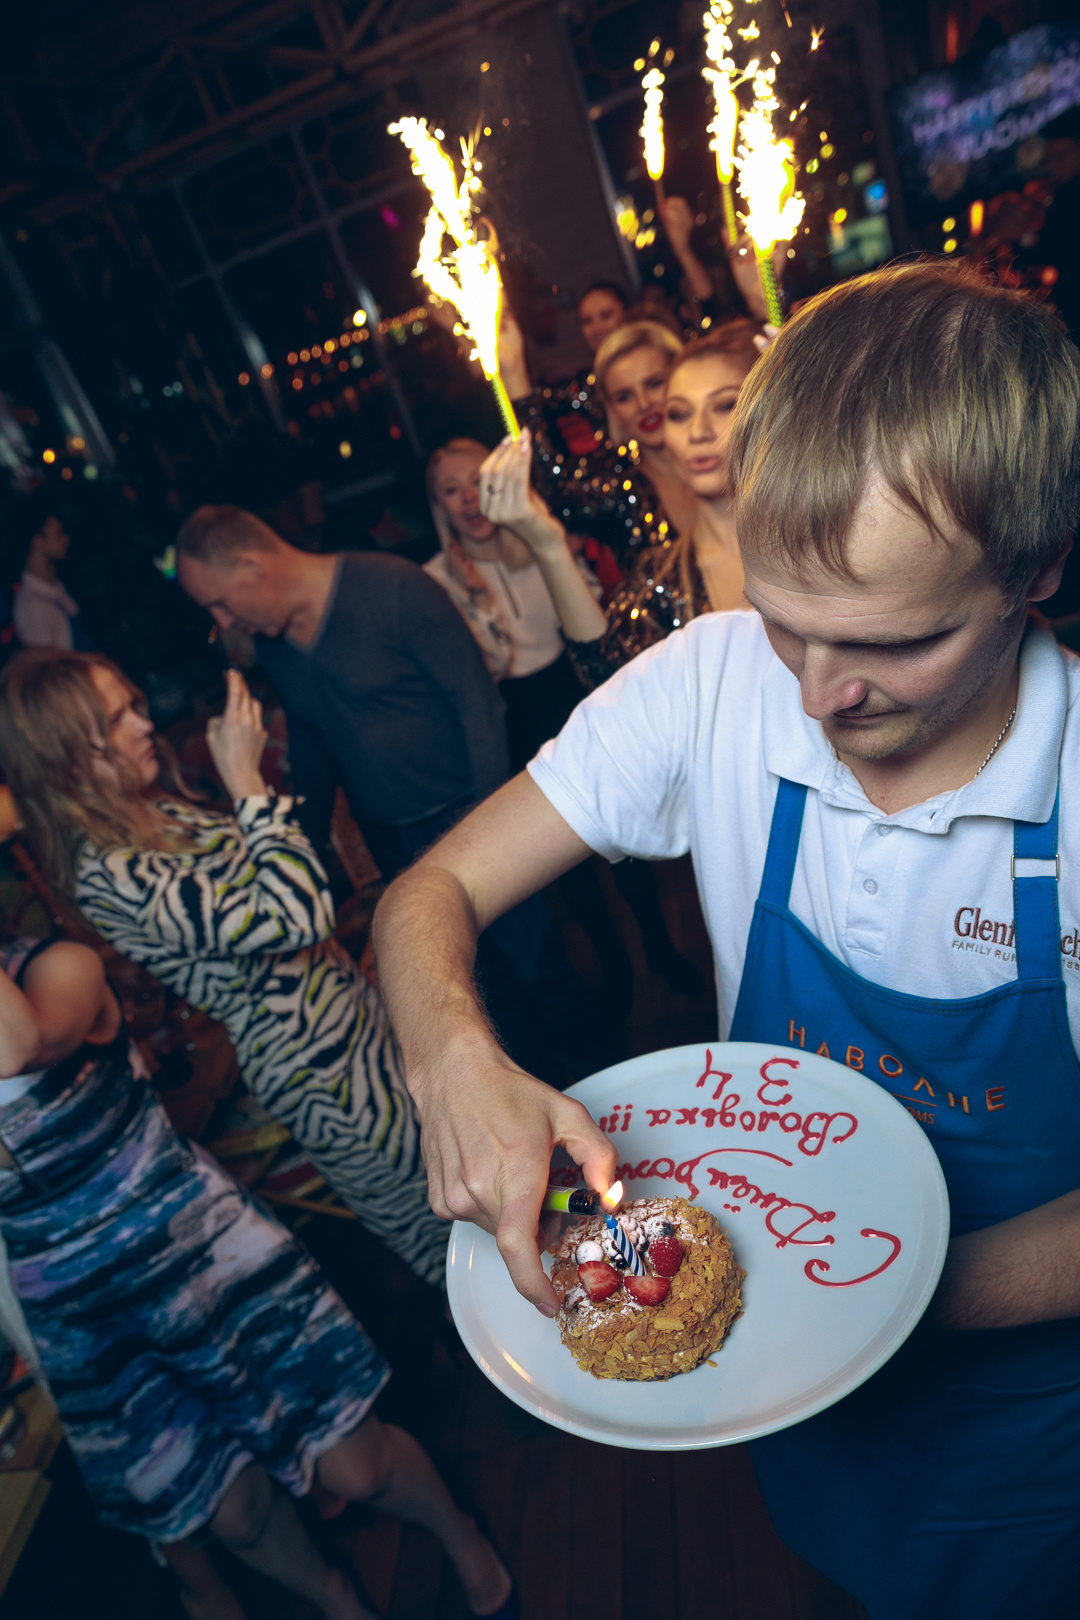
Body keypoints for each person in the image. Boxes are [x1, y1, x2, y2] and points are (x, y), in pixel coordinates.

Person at [372, 260, 1080, 1619]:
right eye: (787, 622)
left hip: (1027, 1444)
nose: (814, 697)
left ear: (1039, 568)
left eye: (891, 643)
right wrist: (452, 1057)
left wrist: (868, 1295)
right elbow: (425, 895)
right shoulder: (713, 676)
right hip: (802, 1407)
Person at [0, 932, 514, 1620]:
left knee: (354, 1467)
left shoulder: (57, 967)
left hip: (201, 1257)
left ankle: (463, 1537)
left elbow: (15, 1047)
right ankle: (337, 1598)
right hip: (81, 1318)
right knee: (233, 1513)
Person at [0, 651, 448, 1287]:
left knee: (467, 1173)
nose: (141, 724)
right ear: (65, 755)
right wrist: (245, 782)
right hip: (319, 1070)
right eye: (112, 720)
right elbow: (300, 914)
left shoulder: (155, 811)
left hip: (354, 1021)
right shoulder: (109, 870)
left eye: (133, 704)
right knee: (442, 1226)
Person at [174, 510, 612, 1083]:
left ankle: (605, 1102)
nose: (223, 620)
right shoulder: (276, 647)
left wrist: (488, 826)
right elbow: (311, 743)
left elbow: (478, 707)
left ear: (253, 566)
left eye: (221, 603)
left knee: (538, 973)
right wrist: (303, 849)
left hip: (470, 818)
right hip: (394, 842)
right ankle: (536, 1130)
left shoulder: (393, 587)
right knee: (477, 997)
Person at [480, 320, 761, 689]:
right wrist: (513, 374)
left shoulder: (821, 534)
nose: (698, 431)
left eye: (724, 405)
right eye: (680, 413)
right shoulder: (659, 575)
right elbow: (611, 676)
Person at [425, 436, 600, 771]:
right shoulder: (436, 582)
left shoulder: (541, 541)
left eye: (478, 481)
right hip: (514, 728)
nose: (469, 498)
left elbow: (594, 628)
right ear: (440, 507)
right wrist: (478, 599)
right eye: (451, 489)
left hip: (580, 697)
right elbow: (489, 671)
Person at [502, 316, 691, 566]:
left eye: (655, 383)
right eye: (624, 397)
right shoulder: (618, 491)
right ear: (612, 410)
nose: (644, 404)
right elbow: (556, 493)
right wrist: (514, 371)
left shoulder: (736, 461)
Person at [12, 506, 89, 651]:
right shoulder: (33, 605)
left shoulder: (55, 589)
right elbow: (49, 670)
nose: (66, 539)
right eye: (59, 534)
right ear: (38, 541)